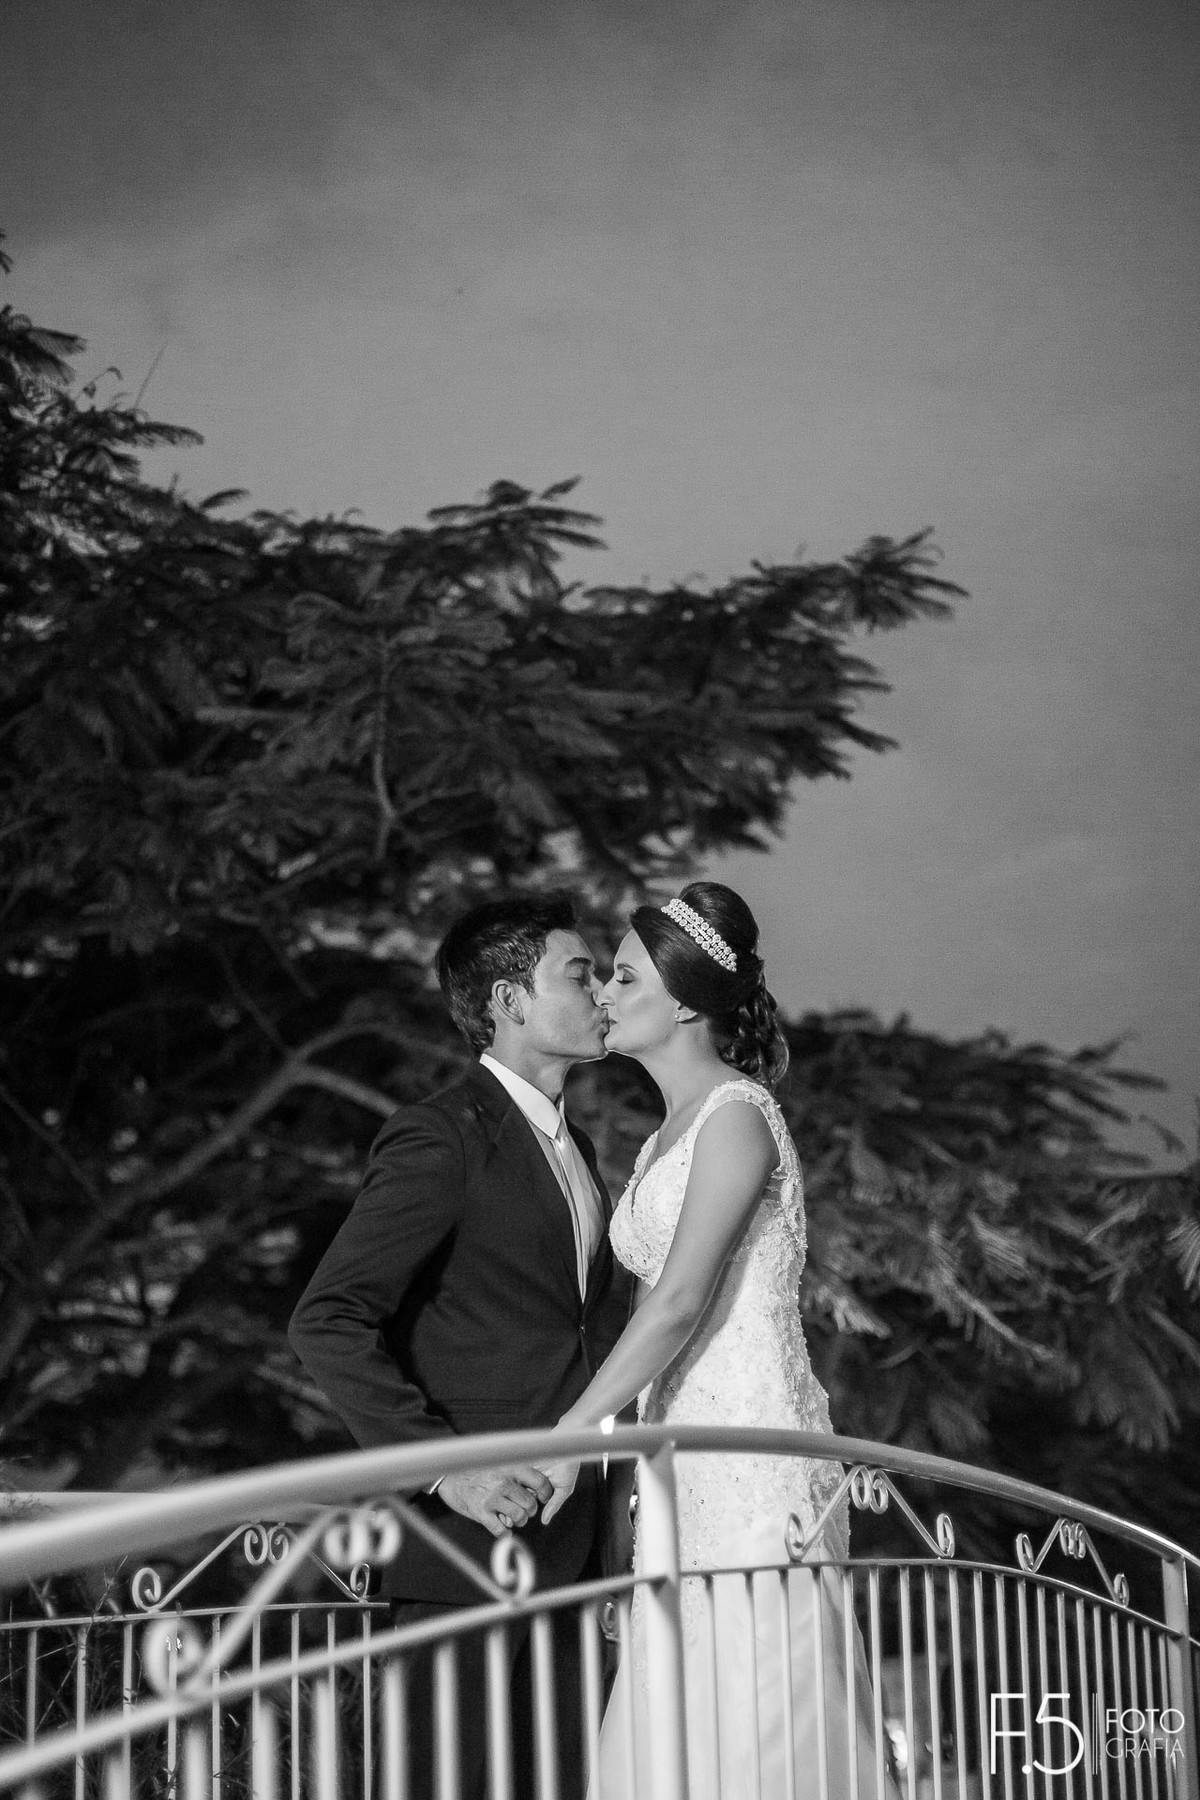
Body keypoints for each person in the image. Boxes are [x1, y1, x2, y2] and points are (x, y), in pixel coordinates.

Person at [541, 881, 894, 1800]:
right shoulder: (663, 1142)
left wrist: (573, 1435)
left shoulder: (739, 1116)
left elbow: (678, 1302)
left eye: (621, 977)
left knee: (758, 1694)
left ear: (688, 1000)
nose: (602, 996)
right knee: (676, 1705)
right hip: (674, 1461)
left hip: (750, 1449)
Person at [288, 892, 628, 1800]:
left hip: (570, 1544)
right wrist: (446, 1470)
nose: (605, 992)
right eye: (580, 972)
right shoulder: (441, 1135)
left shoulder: (581, 1150)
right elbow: (327, 1317)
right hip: (465, 1545)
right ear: (510, 1001)